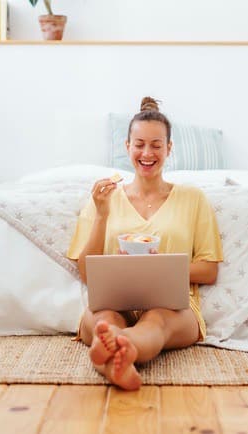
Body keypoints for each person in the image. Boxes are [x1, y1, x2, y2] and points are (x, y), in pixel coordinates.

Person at [65, 97, 223, 390]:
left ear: (169, 149)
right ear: (127, 147)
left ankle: (119, 348)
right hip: (112, 301)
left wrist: (157, 270)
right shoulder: (103, 198)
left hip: (174, 306)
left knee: (155, 322)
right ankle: (117, 360)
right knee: (104, 320)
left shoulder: (193, 198)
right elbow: (86, 273)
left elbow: (209, 270)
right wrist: (101, 215)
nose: (147, 153)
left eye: (156, 145)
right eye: (139, 144)